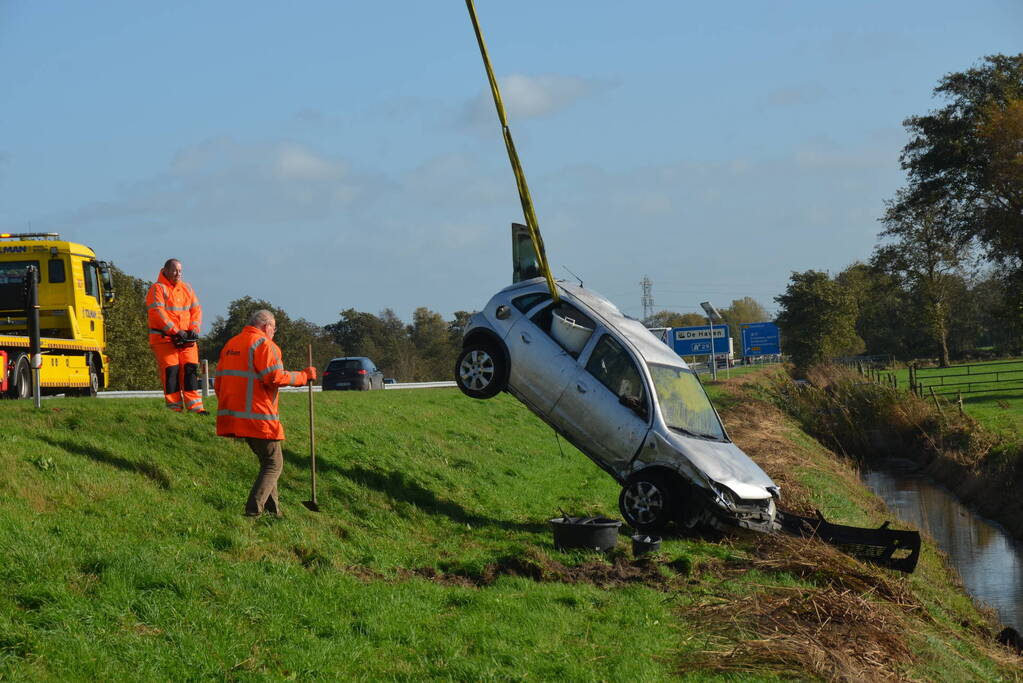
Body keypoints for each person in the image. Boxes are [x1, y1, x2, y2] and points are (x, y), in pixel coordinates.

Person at [215, 309, 317, 517]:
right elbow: (274, 377)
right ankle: (254, 510)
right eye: (274, 328)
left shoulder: (231, 344)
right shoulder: (263, 345)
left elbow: (218, 382)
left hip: (233, 416)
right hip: (258, 417)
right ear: (266, 326)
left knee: (267, 463)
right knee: (274, 464)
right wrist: (303, 377)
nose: (274, 332)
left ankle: (274, 512)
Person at [145, 259, 205, 413]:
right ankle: (175, 409)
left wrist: (193, 329)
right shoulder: (157, 289)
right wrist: (176, 331)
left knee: (190, 371)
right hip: (165, 340)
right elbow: (157, 313)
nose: (178, 274)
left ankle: (196, 408)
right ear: (165, 270)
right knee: (171, 373)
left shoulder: (187, 289)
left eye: (180, 271)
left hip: (186, 340)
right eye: (175, 270)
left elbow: (196, 311)